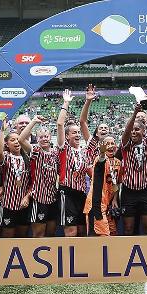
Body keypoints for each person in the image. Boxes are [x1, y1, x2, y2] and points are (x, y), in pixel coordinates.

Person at [120, 91, 147, 235]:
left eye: (137, 130)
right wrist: (135, 112)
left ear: (143, 131)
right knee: (128, 228)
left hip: (145, 192)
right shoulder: (126, 144)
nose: (134, 132)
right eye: (132, 130)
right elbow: (126, 131)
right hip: (128, 192)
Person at [19, 115, 60, 238]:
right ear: (37, 139)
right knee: (39, 234)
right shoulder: (36, 151)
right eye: (41, 137)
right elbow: (21, 139)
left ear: (50, 137)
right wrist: (34, 121)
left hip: (53, 198)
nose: (44, 139)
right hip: (39, 198)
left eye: (46, 136)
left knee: (51, 233)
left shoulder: (55, 153)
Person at [57, 89, 91, 237]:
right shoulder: (64, 149)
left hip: (81, 194)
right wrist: (66, 103)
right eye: (74, 133)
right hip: (67, 193)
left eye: (78, 132)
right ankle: (69, 259)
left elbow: (91, 172)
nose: (77, 135)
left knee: (83, 231)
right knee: (71, 231)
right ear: (67, 136)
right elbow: (59, 124)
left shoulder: (84, 152)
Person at [0, 116, 32, 238]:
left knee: (23, 236)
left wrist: (27, 197)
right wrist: (2, 131)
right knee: (8, 236)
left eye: (18, 140)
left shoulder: (28, 158)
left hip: (24, 204)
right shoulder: (6, 156)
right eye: (12, 140)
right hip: (8, 204)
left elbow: (33, 182)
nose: (16, 142)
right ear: (7, 143)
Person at [85, 136, 121, 236]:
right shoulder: (100, 159)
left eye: (112, 143)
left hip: (108, 204)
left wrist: (114, 199)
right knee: (102, 236)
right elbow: (101, 158)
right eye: (107, 144)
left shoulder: (118, 163)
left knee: (113, 233)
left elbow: (115, 183)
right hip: (97, 205)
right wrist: (101, 152)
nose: (110, 146)